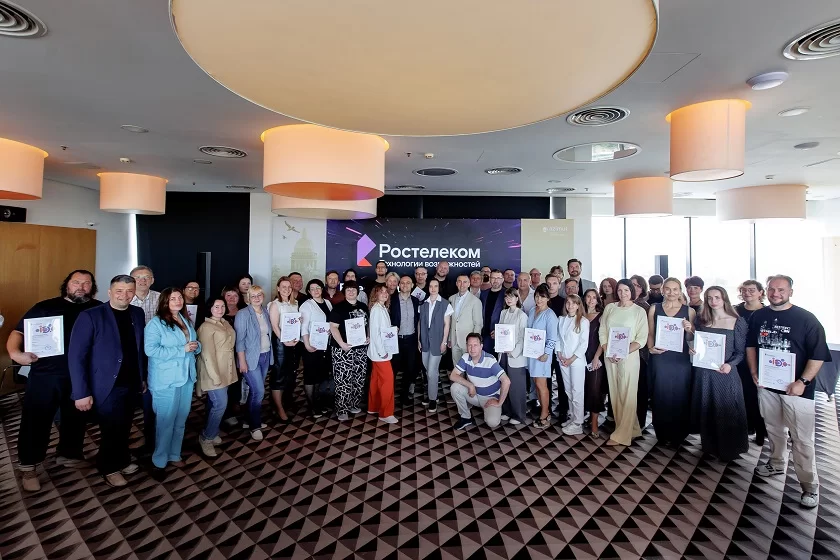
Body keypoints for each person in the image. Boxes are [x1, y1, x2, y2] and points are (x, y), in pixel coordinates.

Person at [8, 270, 101, 492]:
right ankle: (28, 465)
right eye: (76, 282)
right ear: (66, 285)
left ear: (92, 287)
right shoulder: (44, 307)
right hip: (46, 375)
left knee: (76, 417)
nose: (81, 287)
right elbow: (17, 333)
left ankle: (69, 454)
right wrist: (15, 354)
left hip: (81, 376)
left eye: (87, 283)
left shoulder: (98, 309)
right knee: (36, 420)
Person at [747, 275, 831, 509]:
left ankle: (809, 486)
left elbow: (818, 355)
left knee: (801, 439)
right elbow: (751, 345)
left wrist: (803, 381)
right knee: (774, 429)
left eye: (781, 290)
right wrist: (754, 371)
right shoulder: (759, 316)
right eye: (771, 289)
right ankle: (776, 463)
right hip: (767, 386)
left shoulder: (807, 319)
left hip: (797, 390)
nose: (776, 293)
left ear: (791, 292)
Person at [69, 274, 145, 487]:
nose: (125, 295)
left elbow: (138, 349)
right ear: (110, 292)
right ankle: (109, 467)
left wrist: (142, 378)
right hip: (106, 384)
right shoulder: (90, 316)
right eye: (119, 291)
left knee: (125, 425)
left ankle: (122, 459)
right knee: (111, 428)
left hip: (132, 381)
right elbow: (76, 357)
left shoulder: (137, 313)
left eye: (129, 291)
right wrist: (80, 392)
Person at [145, 287, 201, 471]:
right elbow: (150, 350)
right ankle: (159, 459)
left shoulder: (184, 319)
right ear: (164, 302)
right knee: (165, 421)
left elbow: (192, 342)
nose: (178, 301)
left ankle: (174, 454)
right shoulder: (155, 323)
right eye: (173, 298)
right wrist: (182, 350)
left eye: (179, 298)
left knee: (180, 419)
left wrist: (197, 346)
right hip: (166, 379)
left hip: (186, 377)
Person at [690, 286, 748, 462]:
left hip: (725, 373)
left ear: (724, 299)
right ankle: (709, 445)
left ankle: (730, 448)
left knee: (727, 409)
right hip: (704, 372)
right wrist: (694, 350)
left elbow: (740, 352)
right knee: (707, 408)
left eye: (717, 297)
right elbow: (698, 344)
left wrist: (730, 365)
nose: (713, 301)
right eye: (709, 298)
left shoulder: (737, 321)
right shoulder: (702, 320)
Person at [599, 279, 649, 447]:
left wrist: (623, 352)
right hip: (610, 356)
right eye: (620, 290)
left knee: (627, 393)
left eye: (626, 290)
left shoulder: (639, 311)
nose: (623, 293)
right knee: (615, 392)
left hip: (629, 357)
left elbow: (641, 339)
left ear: (632, 291)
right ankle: (632, 428)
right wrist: (607, 349)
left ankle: (622, 435)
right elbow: (603, 331)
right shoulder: (610, 308)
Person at [647, 277, 695, 447]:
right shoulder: (654, 308)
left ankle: (679, 433)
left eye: (675, 289)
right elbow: (650, 333)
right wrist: (651, 348)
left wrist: (689, 330)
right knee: (660, 394)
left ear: (680, 291)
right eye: (667, 289)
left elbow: (692, 338)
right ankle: (662, 432)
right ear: (662, 290)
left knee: (680, 395)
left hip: (681, 359)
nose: (671, 292)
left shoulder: (689, 311)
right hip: (660, 357)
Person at [196, 298, 237, 457]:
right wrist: (215, 377)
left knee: (214, 404)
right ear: (210, 308)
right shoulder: (206, 327)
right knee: (220, 404)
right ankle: (206, 438)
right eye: (216, 306)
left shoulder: (225, 323)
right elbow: (207, 355)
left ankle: (211, 432)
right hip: (214, 372)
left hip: (226, 369)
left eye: (222, 306)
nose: (220, 309)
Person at [449, 333, 511, 430]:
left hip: (490, 398)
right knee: (454, 387)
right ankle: (466, 417)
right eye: (469, 345)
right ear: (466, 346)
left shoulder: (490, 360)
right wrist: (470, 385)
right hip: (475, 395)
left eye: (475, 345)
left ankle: (493, 409)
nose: (472, 348)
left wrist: (499, 402)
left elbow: (506, 381)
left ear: (481, 346)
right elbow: (453, 375)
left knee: (492, 423)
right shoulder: (465, 357)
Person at [234, 285, 272, 441]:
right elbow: (239, 340)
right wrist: (242, 361)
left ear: (263, 296)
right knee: (259, 392)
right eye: (253, 296)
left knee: (255, 391)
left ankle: (248, 420)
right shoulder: (243, 314)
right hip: (250, 359)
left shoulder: (265, 312)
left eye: (259, 295)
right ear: (248, 298)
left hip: (265, 355)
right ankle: (255, 426)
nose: (256, 298)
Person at [329, 281, 369, 421]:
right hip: (343, 349)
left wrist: (368, 336)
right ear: (344, 292)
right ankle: (342, 409)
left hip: (360, 349)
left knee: (358, 378)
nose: (351, 292)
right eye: (348, 290)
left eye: (353, 289)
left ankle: (353, 404)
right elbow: (333, 327)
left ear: (358, 291)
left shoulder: (363, 306)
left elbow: (367, 325)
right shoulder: (338, 307)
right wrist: (342, 344)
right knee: (343, 379)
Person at [735, 279, 767, 446]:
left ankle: (761, 431)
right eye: (744, 290)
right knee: (744, 394)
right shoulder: (735, 310)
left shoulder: (767, 312)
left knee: (760, 396)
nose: (747, 293)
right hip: (739, 359)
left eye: (752, 290)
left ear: (761, 292)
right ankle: (747, 427)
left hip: (761, 358)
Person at [556, 294, 590, 436]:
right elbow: (558, 339)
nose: (570, 306)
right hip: (563, 360)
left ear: (578, 305)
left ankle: (578, 423)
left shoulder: (583, 321)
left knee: (577, 391)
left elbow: (583, 344)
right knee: (568, 390)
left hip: (576, 361)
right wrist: (559, 354)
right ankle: (573, 416)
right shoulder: (561, 319)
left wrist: (571, 359)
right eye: (568, 303)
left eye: (574, 303)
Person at [419, 278, 453, 412]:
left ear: (439, 288)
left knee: (432, 372)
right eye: (431, 286)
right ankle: (433, 393)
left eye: (436, 286)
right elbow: (420, 323)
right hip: (425, 341)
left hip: (437, 342)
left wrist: (444, 341)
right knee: (429, 371)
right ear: (428, 288)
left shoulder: (445, 304)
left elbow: (447, 325)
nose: (433, 289)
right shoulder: (423, 304)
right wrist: (418, 340)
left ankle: (432, 399)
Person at [299, 279, 333, 417]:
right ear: (308, 291)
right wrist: (307, 344)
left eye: (318, 287)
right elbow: (303, 327)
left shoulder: (328, 303)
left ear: (322, 288)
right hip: (311, 346)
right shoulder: (307, 305)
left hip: (324, 345)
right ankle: (312, 405)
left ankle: (318, 402)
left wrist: (330, 329)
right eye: (312, 289)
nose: (315, 291)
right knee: (310, 376)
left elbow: (330, 322)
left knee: (320, 374)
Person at [527, 284, 559, 429]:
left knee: (542, 384)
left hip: (542, 356)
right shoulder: (532, 310)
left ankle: (545, 415)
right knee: (536, 383)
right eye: (537, 296)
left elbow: (553, 338)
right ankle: (544, 410)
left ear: (548, 298)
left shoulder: (550, 315)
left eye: (542, 297)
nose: (539, 299)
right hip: (531, 354)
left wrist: (546, 353)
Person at [268, 277, 298, 422]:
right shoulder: (275, 304)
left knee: (289, 374)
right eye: (283, 287)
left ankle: (282, 404)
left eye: (289, 287)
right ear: (278, 288)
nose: (286, 289)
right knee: (278, 375)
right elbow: (275, 326)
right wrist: (284, 340)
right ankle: (279, 408)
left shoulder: (294, 303)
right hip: (280, 343)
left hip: (292, 343)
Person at [367, 285, 398, 424]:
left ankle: (373, 407)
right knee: (387, 380)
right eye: (381, 292)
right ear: (375, 294)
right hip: (380, 353)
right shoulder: (376, 310)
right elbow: (375, 334)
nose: (385, 294)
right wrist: (382, 352)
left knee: (376, 379)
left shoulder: (382, 308)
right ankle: (385, 413)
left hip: (379, 352)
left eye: (386, 292)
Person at [498, 288, 528, 425]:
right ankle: (507, 411)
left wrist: (513, 351)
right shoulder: (503, 313)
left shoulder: (522, 315)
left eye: (512, 297)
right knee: (504, 383)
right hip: (502, 354)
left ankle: (519, 414)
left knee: (516, 386)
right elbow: (501, 331)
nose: (509, 299)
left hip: (515, 355)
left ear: (517, 298)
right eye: (506, 297)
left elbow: (523, 337)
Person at [391, 275, 420, 406]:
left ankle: (404, 396)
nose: (405, 285)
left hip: (411, 340)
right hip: (396, 340)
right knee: (393, 369)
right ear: (399, 285)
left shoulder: (416, 301)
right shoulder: (392, 300)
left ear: (412, 285)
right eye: (402, 283)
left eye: (408, 283)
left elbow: (418, 321)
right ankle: (389, 396)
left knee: (410, 368)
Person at [582, 289, 607, 439]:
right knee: (583, 388)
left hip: (595, 357)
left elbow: (603, 339)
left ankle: (595, 424)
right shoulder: (579, 314)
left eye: (594, 297)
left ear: (598, 300)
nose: (591, 300)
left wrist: (597, 357)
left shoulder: (602, 316)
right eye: (588, 297)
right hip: (580, 357)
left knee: (595, 389)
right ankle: (585, 418)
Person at [449, 274, 484, 367]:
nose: (462, 284)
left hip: (469, 342)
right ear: (456, 283)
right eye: (459, 282)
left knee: (470, 368)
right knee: (457, 367)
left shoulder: (475, 301)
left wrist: (475, 343)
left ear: (469, 284)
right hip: (454, 340)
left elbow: (478, 324)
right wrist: (449, 338)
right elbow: (451, 321)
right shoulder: (451, 299)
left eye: (465, 282)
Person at [480, 270, 505, 355]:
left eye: (498, 278)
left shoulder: (506, 294)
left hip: (500, 334)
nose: (496, 280)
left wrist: (499, 330)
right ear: (490, 279)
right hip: (484, 333)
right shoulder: (483, 294)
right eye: (493, 277)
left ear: (502, 279)